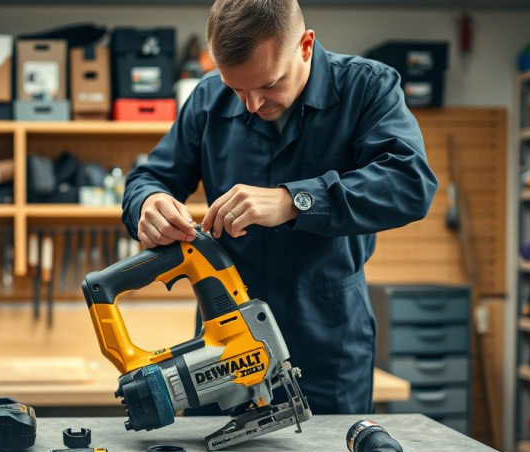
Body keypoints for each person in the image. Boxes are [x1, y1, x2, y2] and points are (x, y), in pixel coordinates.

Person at [121, 0, 437, 414]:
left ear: (305, 46)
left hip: (327, 341)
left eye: (268, 84)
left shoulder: (366, 87)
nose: (252, 104)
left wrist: (294, 200)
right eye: (237, 89)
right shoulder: (207, 100)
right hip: (226, 340)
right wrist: (150, 202)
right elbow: (148, 179)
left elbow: (410, 182)